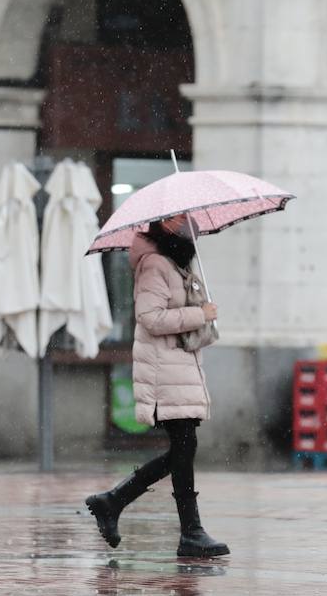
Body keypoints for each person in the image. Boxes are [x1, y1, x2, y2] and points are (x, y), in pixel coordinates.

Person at [85, 213, 229, 558]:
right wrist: (200, 315)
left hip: (179, 368)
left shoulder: (174, 265)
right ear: (167, 228)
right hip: (164, 370)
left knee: (184, 449)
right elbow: (150, 318)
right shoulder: (154, 265)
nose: (191, 231)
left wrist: (198, 304)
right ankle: (188, 531)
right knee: (183, 448)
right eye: (184, 224)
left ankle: (116, 502)